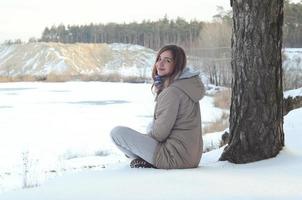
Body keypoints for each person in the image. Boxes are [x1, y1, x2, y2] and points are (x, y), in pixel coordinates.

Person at [110, 44, 205, 169]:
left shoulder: (172, 92)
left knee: (117, 133)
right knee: (143, 134)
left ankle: (145, 160)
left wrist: (140, 143)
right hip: (191, 157)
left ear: (177, 65)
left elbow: (160, 134)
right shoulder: (186, 86)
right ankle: (144, 158)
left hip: (173, 157)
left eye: (167, 60)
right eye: (159, 59)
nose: (160, 64)